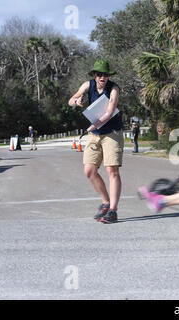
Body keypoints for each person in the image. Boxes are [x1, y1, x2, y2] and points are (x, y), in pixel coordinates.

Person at [68, 59, 124, 224]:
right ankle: (105, 202)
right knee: (89, 171)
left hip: (111, 133)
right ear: (94, 75)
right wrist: (76, 101)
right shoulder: (88, 85)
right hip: (95, 133)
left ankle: (113, 210)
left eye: (105, 74)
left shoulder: (113, 89)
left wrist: (93, 126)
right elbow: (71, 99)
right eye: (99, 74)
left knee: (112, 171)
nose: (102, 77)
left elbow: (109, 112)